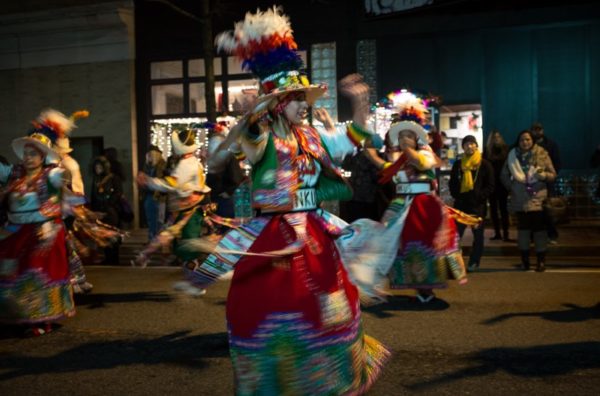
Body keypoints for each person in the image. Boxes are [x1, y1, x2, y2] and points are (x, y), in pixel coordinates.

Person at [184, 8, 390, 394]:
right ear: (278, 104)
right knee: (276, 307)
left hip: (315, 234)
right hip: (273, 235)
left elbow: (353, 139)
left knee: (329, 305)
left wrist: (361, 103)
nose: (304, 105)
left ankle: (326, 380)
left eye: (303, 98)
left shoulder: (312, 137)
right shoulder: (261, 138)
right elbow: (243, 144)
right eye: (296, 98)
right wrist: (250, 117)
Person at [364, 91, 471, 303]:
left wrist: (406, 151)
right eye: (401, 136)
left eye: (408, 135)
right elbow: (382, 166)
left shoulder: (425, 153)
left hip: (423, 207)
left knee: (424, 247)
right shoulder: (398, 162)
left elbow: (422, 164)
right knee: (385, 239)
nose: (404, 139)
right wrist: (369, 151)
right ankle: (378, 282)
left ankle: (425, 288)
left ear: (416, 138)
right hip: (400, 204)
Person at [0, 112, 76, 336]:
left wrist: (59, 164)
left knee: (35, 271)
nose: (27, 157)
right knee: (11, 271)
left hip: (45, 231)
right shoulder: (15, 174)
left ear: (43, 157)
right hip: (16, 230)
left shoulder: (50, 175)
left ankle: (42, 320)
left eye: (33, 153)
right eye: (26, 153)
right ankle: (23, 316)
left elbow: (64, 177)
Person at [135, 129, 212, 296]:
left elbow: (172, 184)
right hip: (188, 210)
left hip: (188, 212)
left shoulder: (186, 164)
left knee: (188, 246)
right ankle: (194, 282)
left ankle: (197, 284)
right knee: (184, 245)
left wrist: (149, 181)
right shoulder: (193, 161)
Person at [501, 129, 557, 272]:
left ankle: (541, 261)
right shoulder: (512, 155)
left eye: (528, 140)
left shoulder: (542, 154)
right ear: (518, 142)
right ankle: (525, 261)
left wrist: (542, 175)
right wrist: (512, 186)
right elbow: (504, 175)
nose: (525, 142)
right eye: (522, 140)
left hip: (537, 199)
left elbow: (552, 175)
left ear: (532, 141)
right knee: (523, 231)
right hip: (519, 199)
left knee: (539, 231)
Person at [449, 135, 495, 271]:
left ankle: (474, 262)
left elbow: (491, 185)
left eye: (472, 144)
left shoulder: (484, 164)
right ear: (463, 147)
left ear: (476, 146)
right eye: (466, 144)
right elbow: (452, 183)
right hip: (461, 206)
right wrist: (456, 195)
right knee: (456, 236)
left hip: (478, 207)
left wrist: (479, 196)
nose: (469, 146)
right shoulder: (458, 165)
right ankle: (456, 263)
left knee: (478, 237)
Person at [205, 122, 245, 219]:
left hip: (225, 197)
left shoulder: (229, 157)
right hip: (218, 196)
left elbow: (236, 178)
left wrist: (228, 192)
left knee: (226, 222)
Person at [530, 122, 561, 243]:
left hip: (546, 182)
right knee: (533, 210)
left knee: (547, 210)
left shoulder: (551, 145)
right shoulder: (529, 145)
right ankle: (535, 236)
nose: (537, 132)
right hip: (532, 183)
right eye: (534, 129)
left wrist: (548, 176)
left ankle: (551, 234)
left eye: (539, 129)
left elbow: (556, 163)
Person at [91, 155, 123, 264]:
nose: (97, 169)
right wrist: (94, 211)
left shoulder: (113, 178)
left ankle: (114, 259)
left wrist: (109, 204)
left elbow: (118, 193)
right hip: (100, 211)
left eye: (100, 167)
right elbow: (93, 196)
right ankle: (108, 257)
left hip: (111, 211)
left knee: (112, 234)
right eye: (96, 167)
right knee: (103, 235)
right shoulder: (96, 180)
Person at [484, 130, 512, 241]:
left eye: (498, 137)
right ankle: (497, 233)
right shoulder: (487, 151)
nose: (496, 139)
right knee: (494, 210)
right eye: (494, 137)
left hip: (503, 183)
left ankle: (506, 234)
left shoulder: (506, 150)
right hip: (492, 184)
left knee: (504, 209)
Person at [141, 145, 166, 241]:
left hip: (160, 197)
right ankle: (151, 239)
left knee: (160, 220)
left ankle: (158, 241)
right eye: (148, 155)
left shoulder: (163, 165)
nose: (149, 157)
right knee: (151, 220)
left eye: (151, 155)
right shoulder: (147, 166)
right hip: (149, 196)